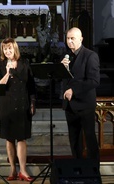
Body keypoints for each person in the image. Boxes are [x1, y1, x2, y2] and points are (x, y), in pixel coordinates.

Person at [0, 38, 36, 182]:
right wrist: (7, 72)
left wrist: (32, 103)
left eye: (10, 48)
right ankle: (12, 169)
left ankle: (23, 170)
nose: (7, 51)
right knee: (9, 138)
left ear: (15, 48)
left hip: (23, 104)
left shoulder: (24, 63)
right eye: (5, 49)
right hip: (7, 105)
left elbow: (31, 85)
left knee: (22, 137)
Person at [61, 27, 100, 160]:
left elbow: (94, 81)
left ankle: (93, 171)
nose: (70, 41)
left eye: (73, 38)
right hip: (70, 105)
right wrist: (62, 69)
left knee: (89, 138)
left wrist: (74, 90)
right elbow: (65, 80)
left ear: (81, 39)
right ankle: (77, 169)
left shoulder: (90, 55)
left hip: (85, 104)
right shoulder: (66, 56)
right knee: (74, 140)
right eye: (68, 38)